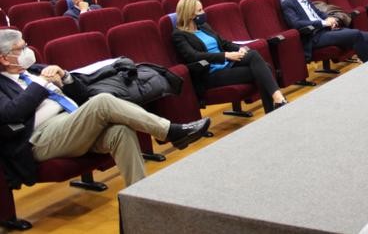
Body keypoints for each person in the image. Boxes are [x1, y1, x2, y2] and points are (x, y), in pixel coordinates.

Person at [0, 29, 211, 187]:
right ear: (3, 58)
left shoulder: (36, 69)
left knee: (121, 131)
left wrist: (66, 77)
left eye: (26, 45)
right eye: (21, 49)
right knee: (102, 101)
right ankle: (171, 131)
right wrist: (40, 85)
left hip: (72, 122)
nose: (28, 51)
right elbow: (11, 113)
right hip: (39, 139)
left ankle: (139, 195)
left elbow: (83, 96)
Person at [171, 0, 288, 113]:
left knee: (253, 54)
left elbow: (224, 43)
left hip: (227, 64)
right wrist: (225, 55)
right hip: (211, 73)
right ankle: (275, 103)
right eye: (200, 10)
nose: (203, 13)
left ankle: (276, 102)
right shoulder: (179, 34)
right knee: (264, 68)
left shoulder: (204, 26)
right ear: (190, 14)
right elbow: (194, 56)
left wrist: (239, 48)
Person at [281, 0, 368, 63]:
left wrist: (329, 18)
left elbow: (318, 13)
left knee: (367, 35)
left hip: (325, 30)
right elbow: (296, 23)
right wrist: (323, 23)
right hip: (314, 36)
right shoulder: (288, 3)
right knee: (355, 34)